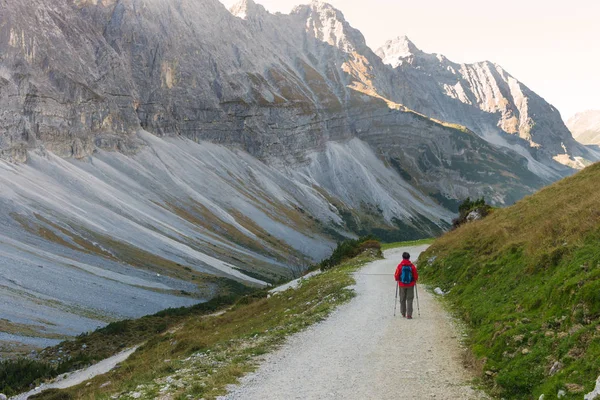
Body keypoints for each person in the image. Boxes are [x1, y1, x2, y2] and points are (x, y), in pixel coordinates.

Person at [394, 252, 418, 319]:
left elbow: (396, 275)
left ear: (403, 257)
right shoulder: (412, 266)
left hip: (402, 284)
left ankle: (403, 313)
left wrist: (397, 279)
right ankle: (409, 315)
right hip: (410, 284)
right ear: (409, 258)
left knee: (402, 298)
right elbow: (415, 275)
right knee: (409, 299)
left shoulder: (400, 266)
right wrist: (414, 280)